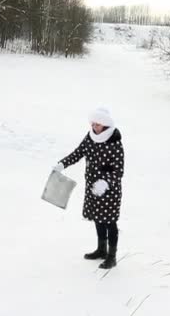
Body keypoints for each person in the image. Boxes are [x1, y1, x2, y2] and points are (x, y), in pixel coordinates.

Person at [53, 108, 125, 269]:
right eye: (93, 123)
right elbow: (78, 152)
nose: (94, 126)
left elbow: (119, 170)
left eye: (98, 124)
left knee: (110, 222)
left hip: (110, 191)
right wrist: (63, 163)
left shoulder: (114, 142)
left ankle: (111, 257)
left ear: (105, 124)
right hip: (92, 187)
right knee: (98, 218)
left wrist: (105, 182)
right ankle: (101, 250)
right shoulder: (90, 137)